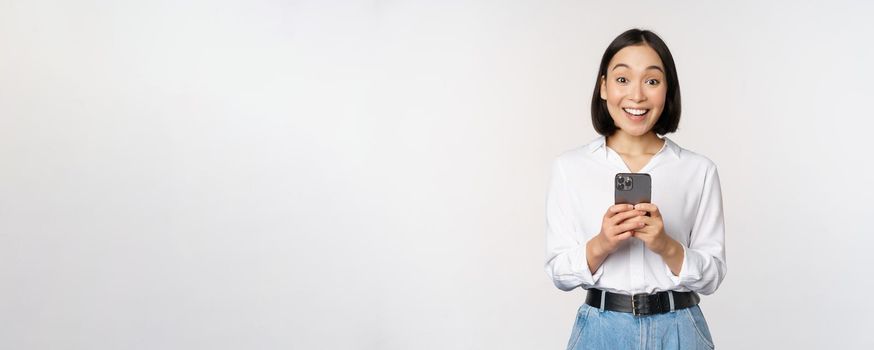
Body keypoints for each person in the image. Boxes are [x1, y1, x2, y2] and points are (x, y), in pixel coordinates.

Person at [544, 28, 727, 350]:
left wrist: (664, 244)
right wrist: (602, 243)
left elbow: (712, 277)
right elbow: (559, 272)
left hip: (680, 329)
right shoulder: (570, 167)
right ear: (603, 87)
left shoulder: (698, 170)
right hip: (601, 330)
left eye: (652, 81)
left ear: (667, 91)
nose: (637, 96)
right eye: (622, 79)